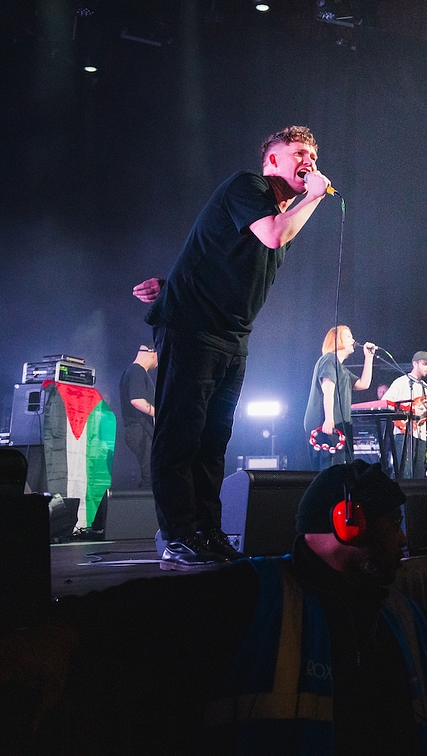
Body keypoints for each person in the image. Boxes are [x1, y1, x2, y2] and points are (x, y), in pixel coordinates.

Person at [0, 462, 427, 752]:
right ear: (348, 524)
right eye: (394, 522)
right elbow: (140, 615)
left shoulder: (400, 617)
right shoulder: (250, 596)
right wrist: (57, 638)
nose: (407, 538)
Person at [132, 125, 333, 570]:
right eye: (299, 152)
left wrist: (172, 285)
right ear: (272, 161)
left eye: (314, 156)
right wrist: (314, 196)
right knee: (180, 434)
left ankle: (207, 532)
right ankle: (177, 536)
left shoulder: (279, 212)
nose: (310, 162)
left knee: (213, 441)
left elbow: (220, 259)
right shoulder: (250, 185)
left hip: (231, 336)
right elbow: (273, 236)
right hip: (192, 328)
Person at [304, 326, 377, 471]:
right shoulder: (329, 359)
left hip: (339, 423)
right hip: (325, 422)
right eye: (349, 336)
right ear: (337, 340)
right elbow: (328, 390)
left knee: (341, 467)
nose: (353, 340)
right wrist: (329, 418)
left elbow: (363, 384)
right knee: (329, 468)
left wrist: (369, 358)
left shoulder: (342, 368)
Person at [383, 352, 427, 476]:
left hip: (420, 435)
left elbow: (424, 416)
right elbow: (385, 403)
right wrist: (405, 413)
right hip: (403, 434)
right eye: (425, 364)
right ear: (415, 364)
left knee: (419, 473)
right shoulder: (401, 382)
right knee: (403, 471)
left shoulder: (425, 387)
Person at [116, 344, 158, 489]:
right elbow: (137, 400)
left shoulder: (131, 372)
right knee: (151, 477)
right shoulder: (137, 371)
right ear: (153, 353)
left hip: (137, 430)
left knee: (150, 475)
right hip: (140, 430)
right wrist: (159, 413)